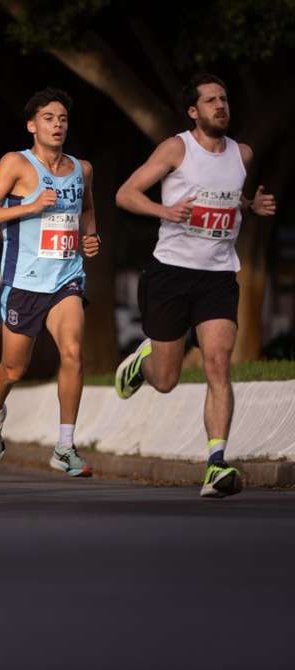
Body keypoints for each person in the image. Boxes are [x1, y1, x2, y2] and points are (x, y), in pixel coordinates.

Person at [113, 73, 277, 498]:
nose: (220, 106)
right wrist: (164, 211)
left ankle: (216, 463)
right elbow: (125, 193)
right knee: (166, 379)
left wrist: (251, 206)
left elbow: (224, 198)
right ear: (193, 111)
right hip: (170, 273)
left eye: (224, 99)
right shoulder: (176, 148)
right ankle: (143, 362)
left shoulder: (242, 154)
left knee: (218, 363)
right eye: (210, 101)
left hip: (218, 276)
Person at [0, 87, 101, 477]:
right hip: (24, 282)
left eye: (62, 119)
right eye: (48, 118)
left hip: (66, 278)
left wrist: (90, 236)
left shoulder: (82, 169)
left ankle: (65, 446)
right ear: (32, 125)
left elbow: (87, 208)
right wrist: (28, 206)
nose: (57, 125)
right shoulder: (16, 164)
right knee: (12, 369)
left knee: (73, 352)